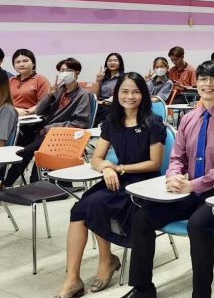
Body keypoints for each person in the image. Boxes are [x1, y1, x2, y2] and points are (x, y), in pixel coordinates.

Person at [126, 61, 214, 298]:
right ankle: (142, 289)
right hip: (190, 189)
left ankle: (201, 295)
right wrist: (173, 177)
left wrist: (193, 184)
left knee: (198, 225)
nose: (207, 84)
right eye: (203, 79)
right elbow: (177, 156)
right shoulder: (189, 118)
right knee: (142, 217)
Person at [54, 73, 166, 298]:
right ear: (117, 94)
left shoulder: (152, 123)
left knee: (96, 204)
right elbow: (96, 158)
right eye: (124, 91)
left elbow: (154, 163)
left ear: (143, 94)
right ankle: (72, 278)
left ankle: (106, 261)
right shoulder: (112, 122)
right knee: (80, 209)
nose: (130, 96)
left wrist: (120, 168)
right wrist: (105, 167)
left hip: (143, 183)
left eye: (136, 91)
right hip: (118, 177)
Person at [3, 57, 92, 186]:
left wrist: (53, 127)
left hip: (61, 134)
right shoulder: (59, 90)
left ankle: (9, 183)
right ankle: (7, 183)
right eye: (62, 70)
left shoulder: (83, 94)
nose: (65, 73)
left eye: (69, 70)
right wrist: (49, 95)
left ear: (77, 73)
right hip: (45, 131)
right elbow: (39, 111)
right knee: (21, 146)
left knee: (25, 152)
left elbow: (81, 122)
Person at [9, 49, 52, 117]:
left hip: (33, 118)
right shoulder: (10, 80)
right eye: (18, 62)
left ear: (33, 63)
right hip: (11, 116)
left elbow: (44, 102)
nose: (21, 64)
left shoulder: (41, 80)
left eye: (25, 61)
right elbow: (3, 102)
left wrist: (27, 112)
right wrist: (15, 110)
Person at [92, 52, 124, 122]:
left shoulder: (123, 78)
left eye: (115, 60)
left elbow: (121, 97)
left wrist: (102, 102)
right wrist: (98, 81)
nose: (112, 63)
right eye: (109, 61)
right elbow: (94, 96)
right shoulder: (103, 77)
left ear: (120, 63)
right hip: (101, 105)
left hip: (115, 106)